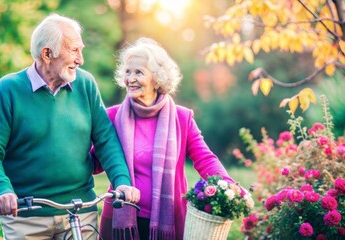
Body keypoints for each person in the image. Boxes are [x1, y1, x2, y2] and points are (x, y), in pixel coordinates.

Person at [0, 14, 140, 240]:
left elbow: (106, 140)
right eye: (74, 50)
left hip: (80, 209)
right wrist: (2, 189)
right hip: (26, 214)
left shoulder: (85, 84)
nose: (81, 59)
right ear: (47, 53)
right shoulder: (8, 90)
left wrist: (122, 181)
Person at [92, 37, 243, 240]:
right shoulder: (112, 117)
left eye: (139, 72)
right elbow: (95, 164)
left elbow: (204, 158)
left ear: (157, 78)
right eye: (127, 72)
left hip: (168, 220)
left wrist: (228, 185)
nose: (130, 78)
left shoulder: (182, 118)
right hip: (121, 221)